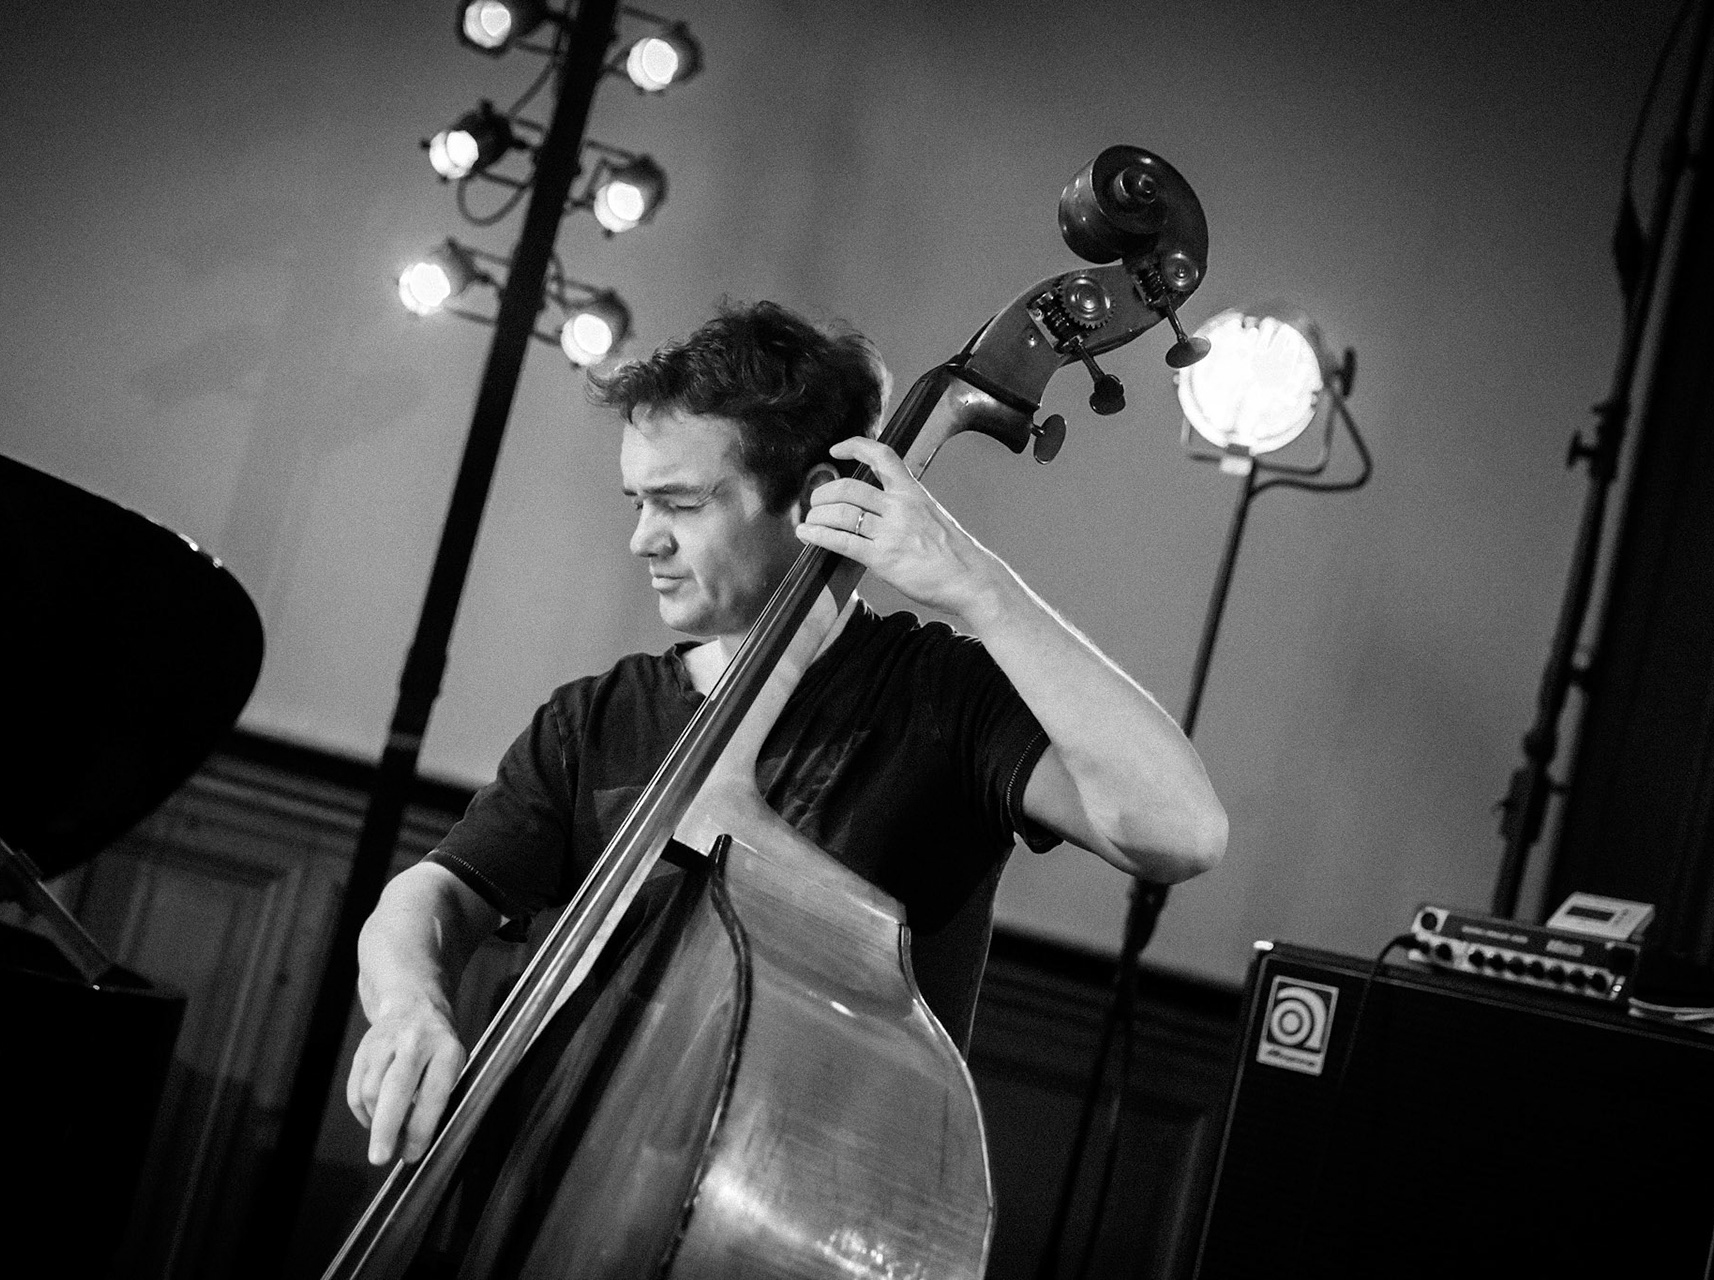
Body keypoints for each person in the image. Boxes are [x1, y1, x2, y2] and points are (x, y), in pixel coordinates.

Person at [347, 301, 1227, 1167]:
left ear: (811, 500)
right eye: (637, 501)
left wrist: (977, 586)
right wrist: (409, 1005)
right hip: (551, 1177)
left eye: (680, 504)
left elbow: (1179, 832)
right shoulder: (598, 715)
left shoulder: (940, 698)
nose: (641, 540)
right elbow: (431, 897)